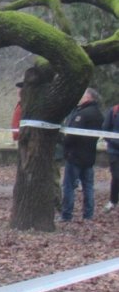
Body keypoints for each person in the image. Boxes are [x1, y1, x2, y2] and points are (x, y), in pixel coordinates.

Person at [60, 88, 104, 222]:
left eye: (83, 95)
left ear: (89, 98)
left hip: (75, 155)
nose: (81, 98)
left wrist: (63, 142)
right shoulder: (98, 114)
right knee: (88, 187)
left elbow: (72, 135)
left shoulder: (82, 114)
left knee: (69, 186)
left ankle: (66, 215)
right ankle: (88, 215)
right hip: (89, 156)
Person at [102, 98, 119, 213]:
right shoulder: (113, 111)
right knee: (116, 176)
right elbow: (105, 130)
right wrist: (113, 141)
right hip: (114, 151)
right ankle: (113, 201)